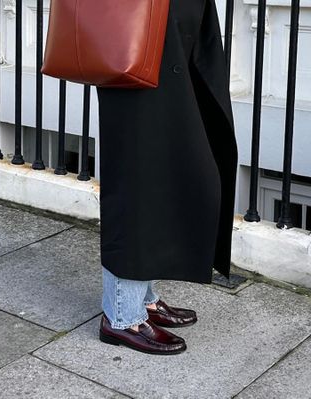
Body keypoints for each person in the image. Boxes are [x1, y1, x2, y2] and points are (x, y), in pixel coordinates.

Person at [96, 0, 238, 355]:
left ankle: (143, 298)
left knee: (166, 172)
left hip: (174, 33)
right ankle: (122, 316)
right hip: (138, 37)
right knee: (139, 176)